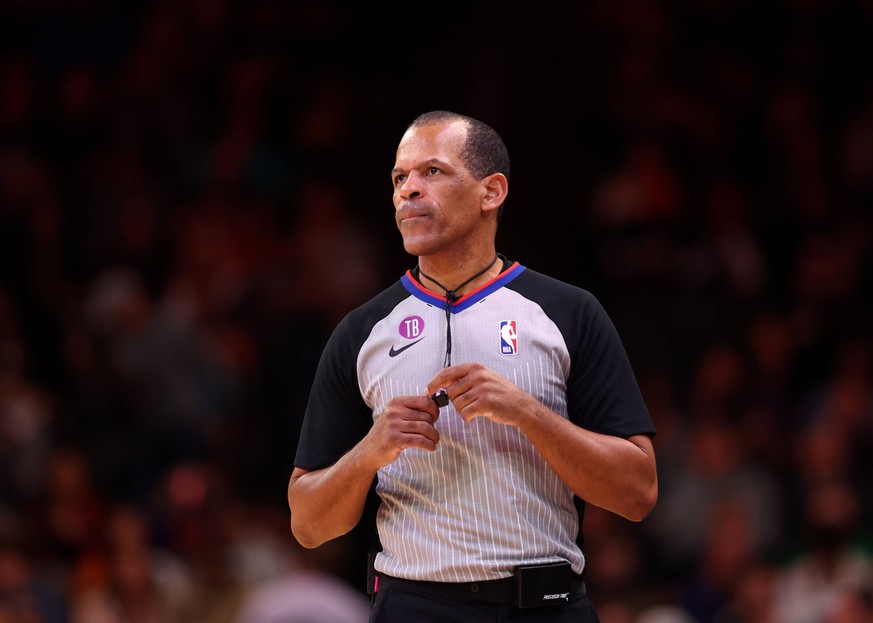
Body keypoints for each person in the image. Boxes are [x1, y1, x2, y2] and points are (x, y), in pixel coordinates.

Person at [287, 110, 658, 622]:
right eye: (400, 178)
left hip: (546, 603)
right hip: (415, 605)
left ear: (492, 192)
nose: (408, 191)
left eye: (431, 172)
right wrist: (370, 451)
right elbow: (307, 524)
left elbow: (638, 493)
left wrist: (528, 412)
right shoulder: (361, 332)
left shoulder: (569, 313)